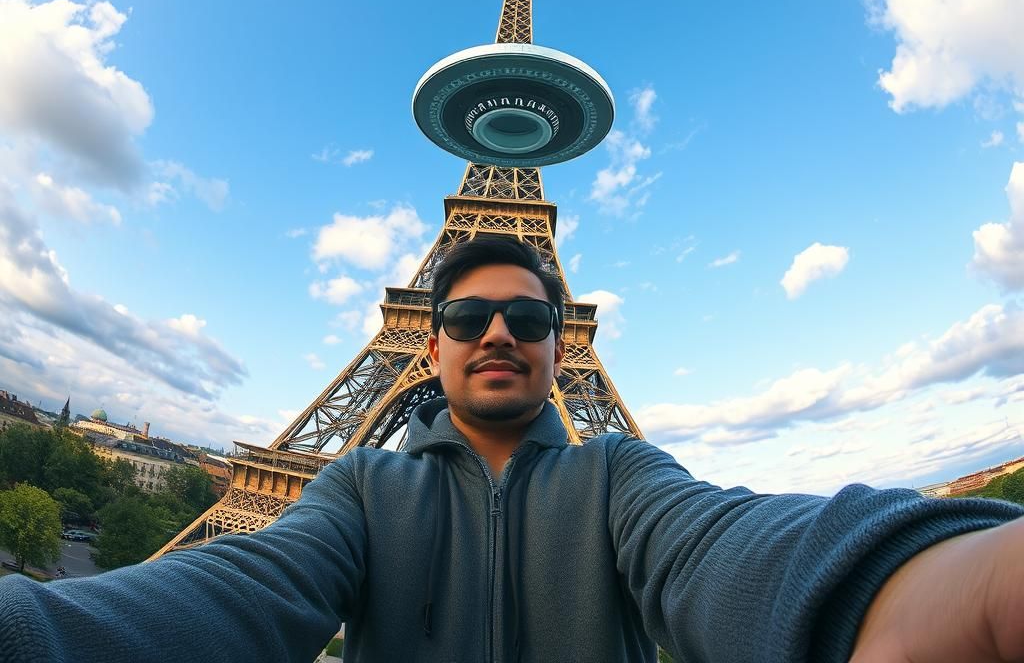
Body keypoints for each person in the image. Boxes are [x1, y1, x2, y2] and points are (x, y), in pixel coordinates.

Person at [0, 235, 1021, 662]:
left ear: (558, 344)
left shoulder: (617, 479)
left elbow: (726, 548)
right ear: (429, 337)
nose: (499, 332)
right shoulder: (360, 490)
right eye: (470, 314)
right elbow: (231, 594)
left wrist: (956, 579)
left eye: (529, 320)